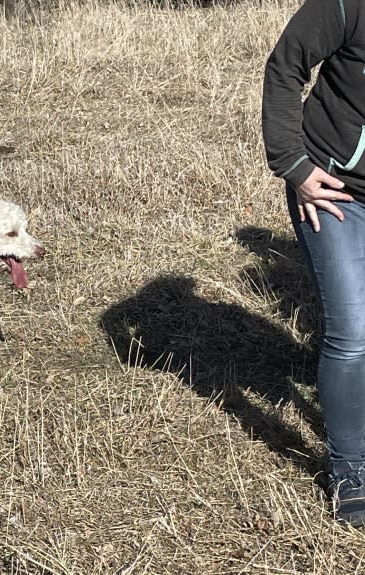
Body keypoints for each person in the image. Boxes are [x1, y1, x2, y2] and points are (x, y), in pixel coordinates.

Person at [262, 0, 365, 526]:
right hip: (334, 191)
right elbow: (285, 64)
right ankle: (351, 472)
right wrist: (294, 166)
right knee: (351, 333)